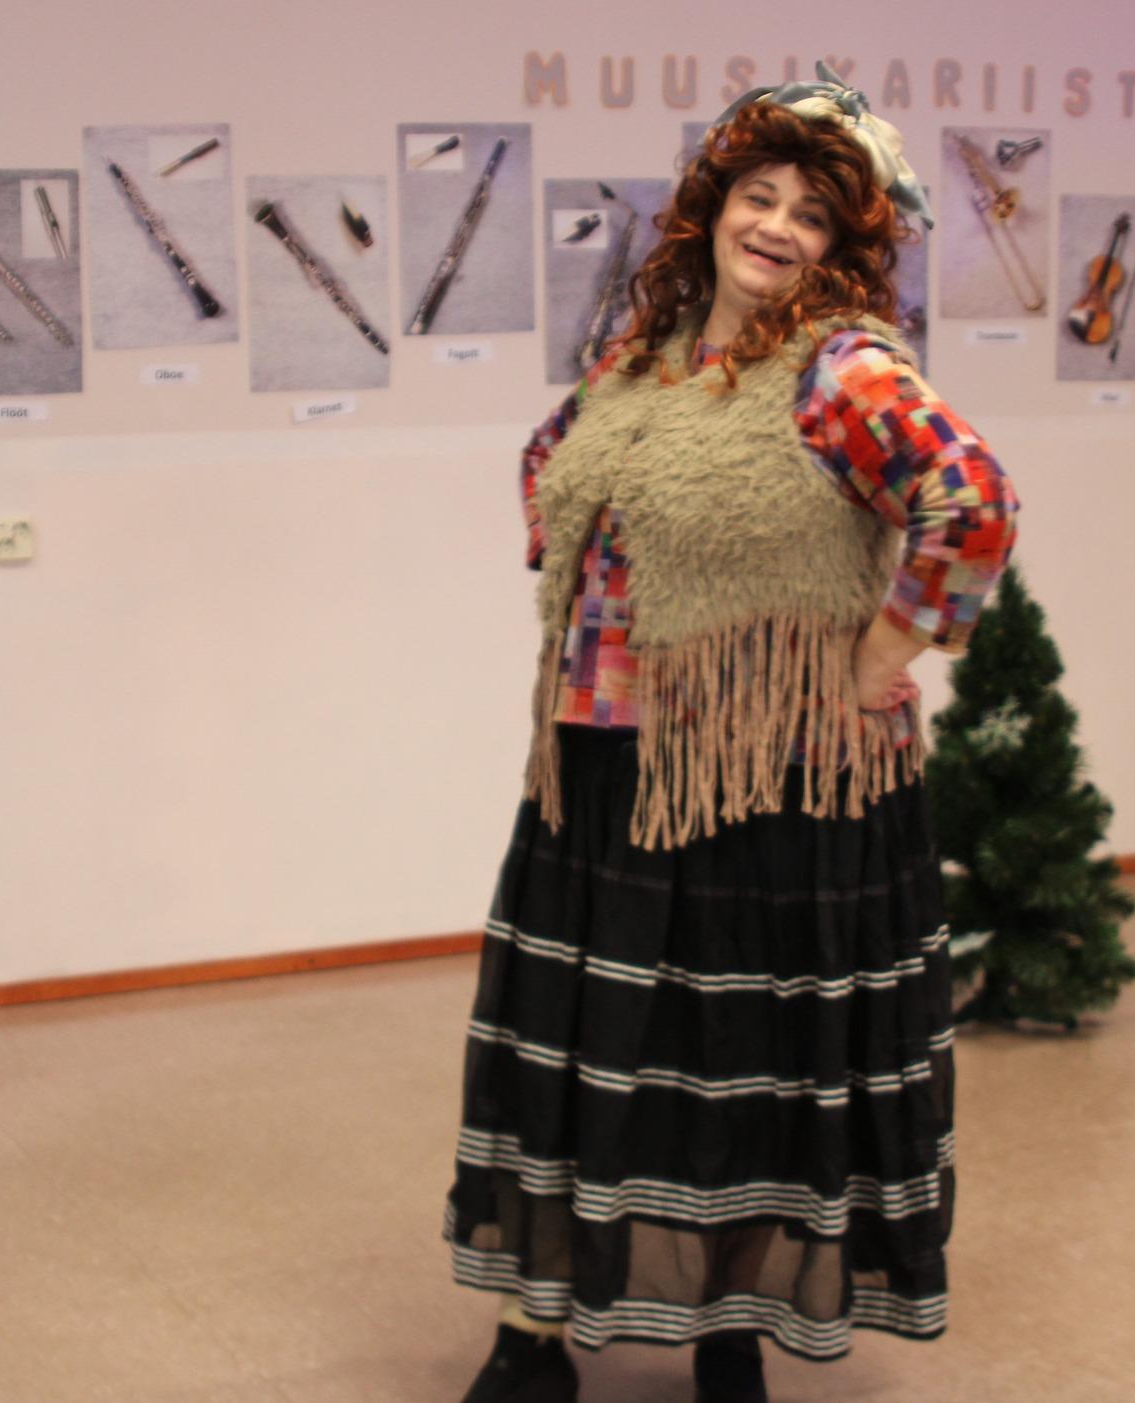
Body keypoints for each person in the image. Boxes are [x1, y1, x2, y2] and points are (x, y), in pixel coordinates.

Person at [446, 64, 1017, 1403]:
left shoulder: (842, 367)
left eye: (812, 214)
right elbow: (548, 462)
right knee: (581, 1059)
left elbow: (973, 501)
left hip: (773, 790)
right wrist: (591, 581)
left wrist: (882, 649)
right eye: (759, 196)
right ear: (710, 207)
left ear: (842, 245)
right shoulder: (641, 359)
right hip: (603, 772)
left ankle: (729, 1334)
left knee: (741, 1081)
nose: (777, 227)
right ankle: (532, 1337)